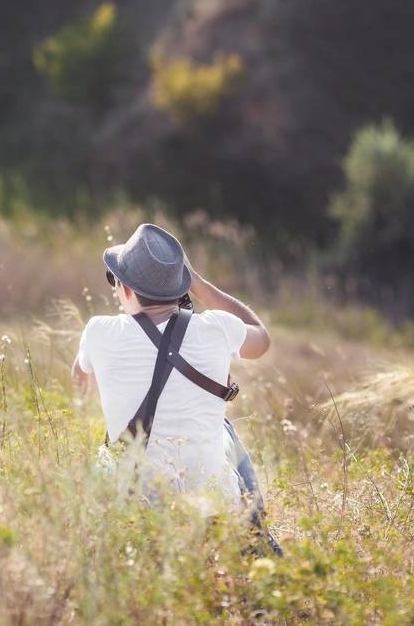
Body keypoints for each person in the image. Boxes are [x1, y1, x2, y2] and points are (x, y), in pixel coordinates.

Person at [72, 223, 277, 542]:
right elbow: (261, 338)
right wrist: (199, 283)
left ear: (125, 288)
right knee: (225, 428)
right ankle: (256, 534)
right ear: (181, 288)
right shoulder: (218, 328)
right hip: (212, 508)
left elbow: (81, 379)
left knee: (105, 456)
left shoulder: (99, 332)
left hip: (136, 506)